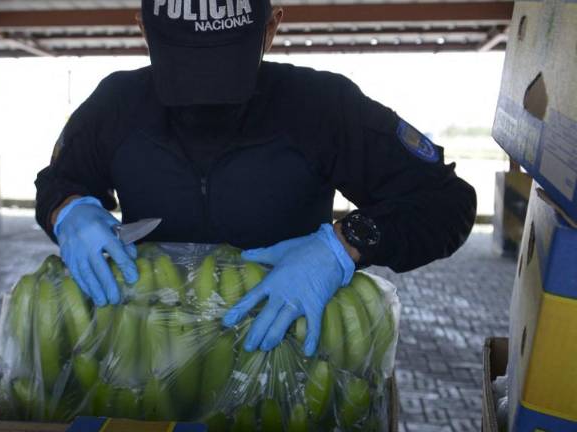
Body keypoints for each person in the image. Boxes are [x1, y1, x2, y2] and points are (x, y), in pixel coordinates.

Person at [35, 0, 476, 357]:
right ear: (143, 29)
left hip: (291, 348)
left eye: (226, 62)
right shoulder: (115, 104)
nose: (204, 93)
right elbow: (58, 180)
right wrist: (68, 210)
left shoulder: (323, 106)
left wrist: (347, 243)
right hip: (149, 349)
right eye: (184, 61)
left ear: (271, 27)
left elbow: (447, 202)